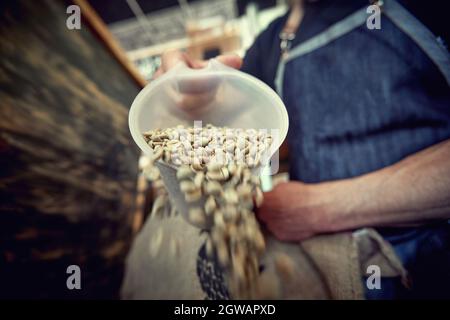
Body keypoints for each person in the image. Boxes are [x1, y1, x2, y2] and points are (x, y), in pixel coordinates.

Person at [154, 0, 450, 299]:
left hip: (430, 263)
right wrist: (189, 98)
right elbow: (227, 119)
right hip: (326, 267)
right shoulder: (272, 40)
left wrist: (319, 207)